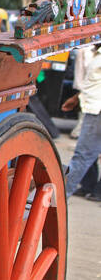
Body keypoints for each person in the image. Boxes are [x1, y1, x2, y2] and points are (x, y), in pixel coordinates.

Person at [63, 43, 101, 202]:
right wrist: (77, 98)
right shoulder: (96, 52)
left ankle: (59, 198)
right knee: (85, 155)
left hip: (97, 112)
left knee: (82, 156)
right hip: (92, 108)